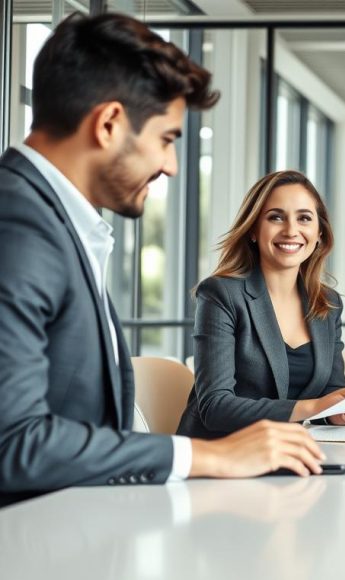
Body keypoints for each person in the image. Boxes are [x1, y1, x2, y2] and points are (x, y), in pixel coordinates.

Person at [0, 13, 327, 508]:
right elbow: (14, 442)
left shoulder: (58, 224)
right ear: (109, 124)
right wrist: (206, 457)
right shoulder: (18, 226)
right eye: (167, 139)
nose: (171, 166)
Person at [177, 170, 345, 439]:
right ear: (254, 230)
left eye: (304, 218)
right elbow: (215, 406)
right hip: (221, 455)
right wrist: (312, 407)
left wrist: (337, 411)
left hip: (289, 452)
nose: (291, 230)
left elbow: (330, 391)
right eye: (276, 217)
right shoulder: (220, 294)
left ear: (319, 234)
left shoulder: (327, 303)